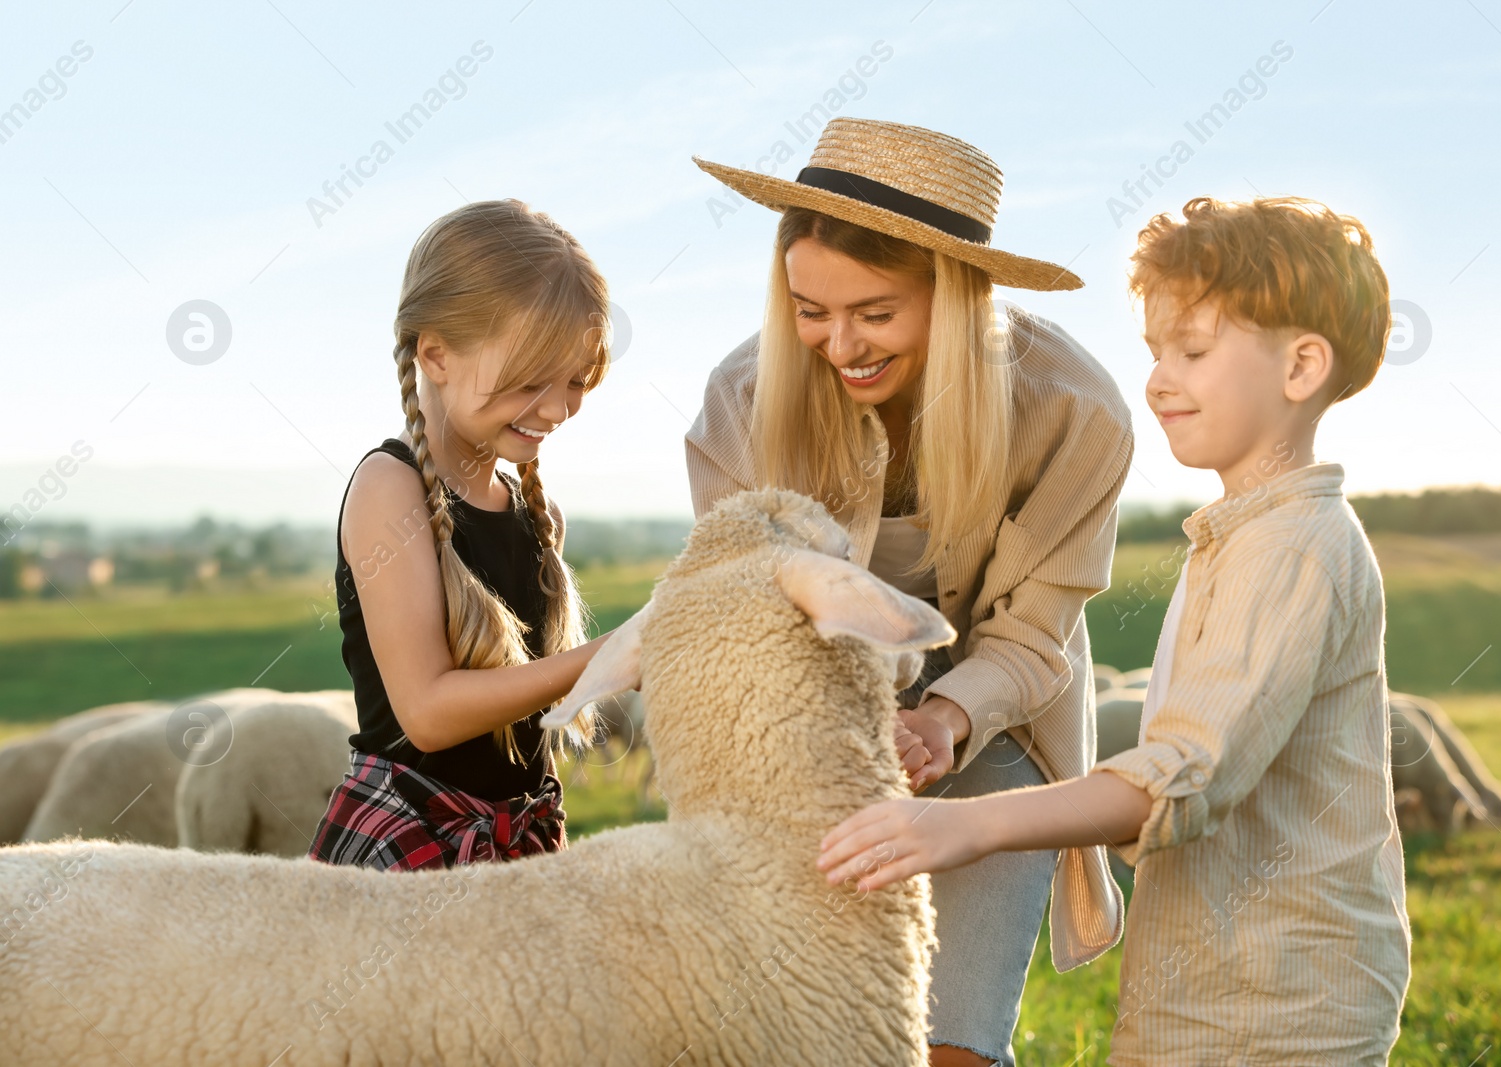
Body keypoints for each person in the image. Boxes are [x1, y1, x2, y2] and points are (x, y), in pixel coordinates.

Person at [819, 195, 1412, 1064]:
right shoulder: (1242, 532)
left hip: (1283, 1000)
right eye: (1155, 351)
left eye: (1195, 350)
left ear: (1302, 366)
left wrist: (969, 825)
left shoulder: (1293, 549)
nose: (1159, 379)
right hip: (1207, 981)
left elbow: (1180, 775)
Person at [686, 116, 1135, 1067]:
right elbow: (737, 613)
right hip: (799, 742)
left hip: (995, 729)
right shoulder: (740, 400)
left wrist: (941, 719)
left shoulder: (1074, 412)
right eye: (811, 309)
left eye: (876, 314)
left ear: (958, 296)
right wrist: (831, 737)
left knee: (953, 1045)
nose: (839, 343)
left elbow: (1035, 633)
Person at [308, 199, 621, 871]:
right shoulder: (391, 490)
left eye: (576, 381)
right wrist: (615, 654)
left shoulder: (536, 512)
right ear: (436, 352)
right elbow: (427, 711)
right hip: (407, 852)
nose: (559, 409)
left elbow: (529, 697)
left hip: (520, 844)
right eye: (532, 380)